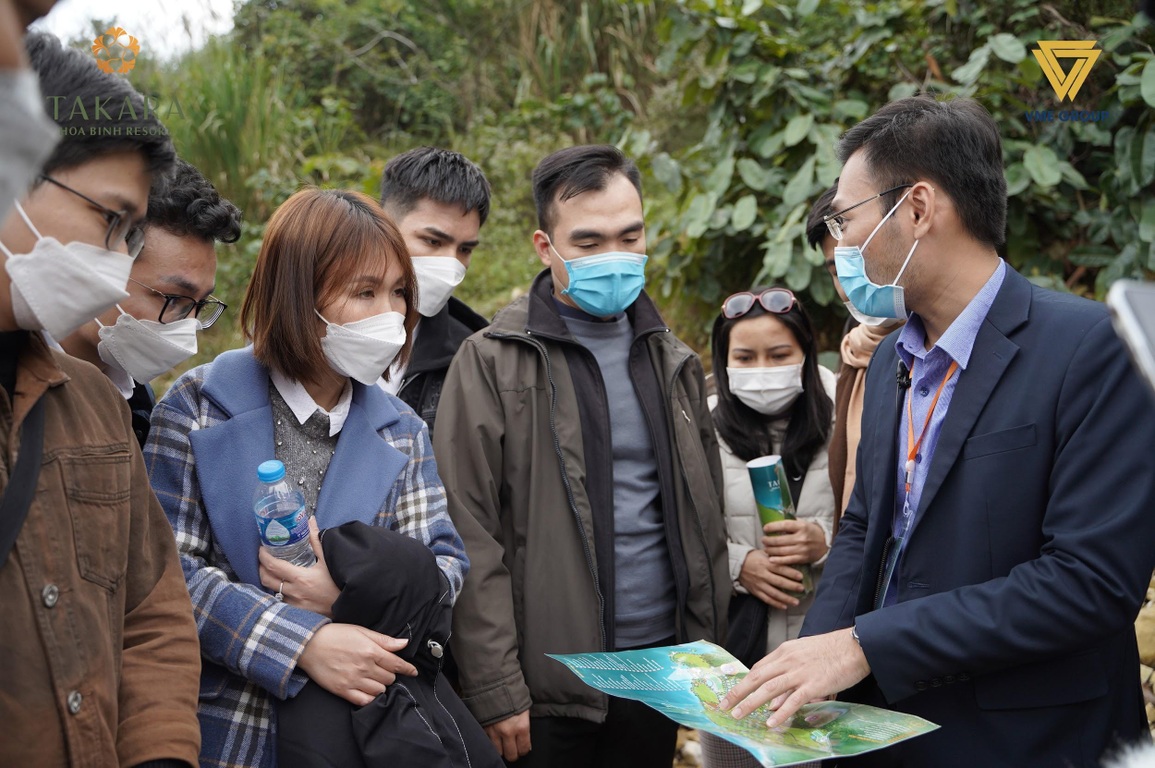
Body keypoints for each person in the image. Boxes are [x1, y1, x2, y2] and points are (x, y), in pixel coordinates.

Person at [719, 95, 1155, 766]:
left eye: (845, 218)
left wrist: (863, 646)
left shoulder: (1090, 348)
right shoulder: (890, 357)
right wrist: (810, 662)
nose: (839, 245)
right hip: (888, 728)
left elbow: (1087, 582)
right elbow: (865, 524)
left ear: (917, 208)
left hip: (1029, 738)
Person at [144, 188, 471, 768]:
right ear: (299, 295)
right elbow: (164, 577)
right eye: (364, 292)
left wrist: (345, 599)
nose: (391, 315)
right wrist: (303, 641)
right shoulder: (196, 407)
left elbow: (443, 569)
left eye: (399, 292)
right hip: (225, 730)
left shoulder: (402, 431)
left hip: (354, 735)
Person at [433, 144, 729, 768]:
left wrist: (706, 651)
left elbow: (703, 521)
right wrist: (494, 686)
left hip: (659, 668)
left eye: (630, 236)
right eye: (589, 242)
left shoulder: (671, 359)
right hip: (548, 688)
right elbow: (469, 530)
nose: (614, 256)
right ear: (546, 247)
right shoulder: (493, 361)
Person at [0, 32, 201, 768]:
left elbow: (151, 613)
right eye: (109, 221)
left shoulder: (93, 401)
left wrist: (160, 753)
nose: (117, 269)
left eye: (131, 236)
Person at [700, 286, 836, 768]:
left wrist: (823, 541)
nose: (762, 369)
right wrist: (738, 565)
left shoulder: (849, 416)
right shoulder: (698, 427)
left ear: (806, 353)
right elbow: (677, 527)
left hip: (822, 652)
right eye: (744, 357)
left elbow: (883, 517)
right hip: (734, 654)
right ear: (723, 361)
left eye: (779, 355)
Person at [58, 158, 241, 446]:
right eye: (174, 299)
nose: (189, 327)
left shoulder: (136, 399)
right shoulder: (14, 386)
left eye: (201, 304)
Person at [804, 186, 905, 519]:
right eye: (838, 271)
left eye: (861, 260)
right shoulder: (854, 352)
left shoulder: (948, 347)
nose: (851, 285)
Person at [378, 146, 490, 438]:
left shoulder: (472, 354)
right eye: (432, 241)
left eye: (465, 249)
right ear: (382, 225)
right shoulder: (316, 325)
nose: (451, 264)